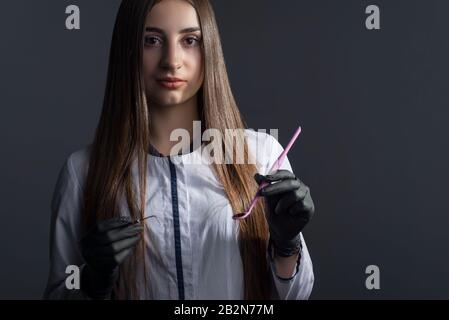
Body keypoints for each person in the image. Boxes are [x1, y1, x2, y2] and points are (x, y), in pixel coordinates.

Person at [44, 0, 315, 300]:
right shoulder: (83, 171)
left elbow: (297, 295)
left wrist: (287, 245)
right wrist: (91, 280)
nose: (171, 60)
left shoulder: (260, 155)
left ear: (209, 48)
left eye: (190, 40)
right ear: (128, 50)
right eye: (151, 40)